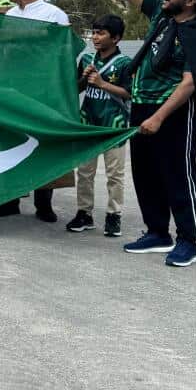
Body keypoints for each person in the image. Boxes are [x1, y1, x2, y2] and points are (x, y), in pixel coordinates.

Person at [85, 0, 196, 268]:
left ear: (190, 0)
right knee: (145, 172)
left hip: (174, 110)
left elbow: (190, 83)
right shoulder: (160, 18)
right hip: (143, 105)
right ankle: (157, 232)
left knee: (178, 173)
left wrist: (160, 117)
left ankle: (188, 240)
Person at [0, 0, 69, 222]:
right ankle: (9, 201)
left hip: (42, 92)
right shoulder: (10, 15)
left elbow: (63, 54)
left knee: (42, 145)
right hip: (12, 90)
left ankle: (43, 203)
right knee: (11, 142)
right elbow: (2, 52)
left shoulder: (54, 15)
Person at [67, 15, 132, 237]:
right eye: (94, 32)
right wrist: (84, 80)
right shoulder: (86, 60)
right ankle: (84, 214)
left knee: (115, 174)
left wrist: (103, 84)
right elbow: (74, 90)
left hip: (114, 125)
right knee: (84, 172)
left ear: (116, 38)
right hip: (88, 122)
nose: (95, 37)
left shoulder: (125, 63)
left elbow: (129, 93)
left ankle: (114, 215)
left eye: (101, 33)